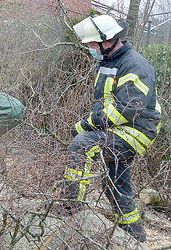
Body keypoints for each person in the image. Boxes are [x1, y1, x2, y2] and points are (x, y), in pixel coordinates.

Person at [55, 15, 161, 243]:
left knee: (82, 144)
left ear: (107, 41)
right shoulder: (109, 63)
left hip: (135, 131)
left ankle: (70, 205)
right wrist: (90, 123)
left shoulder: (134, 65)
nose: (91, 49)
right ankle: (136, 235)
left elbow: (126, 110)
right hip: (119, 129)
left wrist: (85, 125)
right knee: (115, 183)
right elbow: (105, 104)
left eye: (93, 45)